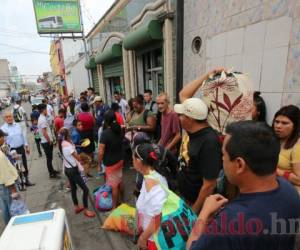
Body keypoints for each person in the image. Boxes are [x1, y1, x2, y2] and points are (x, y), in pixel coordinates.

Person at [187, 121, 300, 250]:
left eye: (224, 154)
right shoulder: (289, 191)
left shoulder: (231, 221)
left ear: (240, 165)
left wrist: (204, 213)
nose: (222, 159)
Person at [175, 70, 223, 214]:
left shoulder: (209, 142)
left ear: (189, 119)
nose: (179, 117)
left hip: (196, 202)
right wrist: (209, 74)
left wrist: (194, 212)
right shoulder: (193, 123)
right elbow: (183, 94)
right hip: (185, 193)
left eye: (181, 115)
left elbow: (209, 185)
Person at [133, 143, 168, 250]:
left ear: (138, 161)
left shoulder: (151, 182)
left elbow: (158, 216)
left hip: (154, 241)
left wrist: (143, 238)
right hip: (151, 235)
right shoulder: (152, 176)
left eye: (133, 158)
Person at [59, 128, 95, 218]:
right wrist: (84, 159)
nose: (71, 134)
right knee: (85, 189)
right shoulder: (68, 146)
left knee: (74, 188)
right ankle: (86, 210)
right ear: (67, 135)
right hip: (73, 171)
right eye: (69, 133)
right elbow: (78, 158)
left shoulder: (62, 143)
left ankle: (76, 207)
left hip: (67, 169)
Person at [98, 110, 124, 208]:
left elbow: (100, 152)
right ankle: (121, 200)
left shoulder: (105, 133)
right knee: (120, 180)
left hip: (110, 163)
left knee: (114, 186)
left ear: (106, 120)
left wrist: (99, 164)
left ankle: (114, 207)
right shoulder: (119, 129)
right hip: (120, 160)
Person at [1, 111, 34, 186]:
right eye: (7, 117)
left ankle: (26, 180)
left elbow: (23, 136)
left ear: (12, 117)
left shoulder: (18, 125)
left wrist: (26, 146)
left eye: (10, 116)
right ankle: (19, 183)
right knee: (15, 167)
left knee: (24, 165)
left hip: (21, 148)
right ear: (4, 119)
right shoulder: (3, 129)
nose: (9, 118)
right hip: (11, 151)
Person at [273, 105, 300, 193]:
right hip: (275, 187)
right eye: (276, 122)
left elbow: (299, 179)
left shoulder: (297, 147)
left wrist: (274, 170)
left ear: (295, 126)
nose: (278, 126)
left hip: (292, 192)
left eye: (285, 123)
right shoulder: (274, 140)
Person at [0, 129, 19, 225]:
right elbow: (6, 175)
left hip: (1, 186)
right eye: (2, 137)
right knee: (12, 208)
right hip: (7, 186)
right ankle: (13, 225)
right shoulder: (0, 156)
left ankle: (9, 225)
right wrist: (14, 191)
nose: (4, 138)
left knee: (5, 208)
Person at [38, 103, 59, 179]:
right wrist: (49, 140)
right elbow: (44, 132)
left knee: (50, 157)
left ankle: (52, 170)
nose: (47, 110)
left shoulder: (43, 117)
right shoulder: (42, 119)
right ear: (43, 110)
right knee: (49, 158)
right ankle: (51, 173)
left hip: (47, 141)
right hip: (46, 142)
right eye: (46, 109)